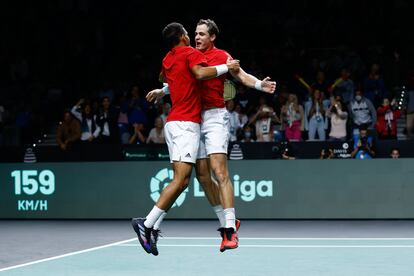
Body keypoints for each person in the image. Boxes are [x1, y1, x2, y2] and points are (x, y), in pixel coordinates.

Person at [146, 19, 276, 252]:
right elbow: (183, 79)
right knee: (203, 177)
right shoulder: (190, 54)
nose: (197, 37)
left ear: (212, 37)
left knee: (219, 170)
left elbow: (241, 75)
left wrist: (259, 85)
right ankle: (226, 221)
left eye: (202, 34)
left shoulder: (222, 55)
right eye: (195, 33)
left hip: (215, 118)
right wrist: (162, 90)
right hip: (193, 119)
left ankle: (229, 231)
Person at [132, 22, 240, 256]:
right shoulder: (191, 53)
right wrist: (226, 66)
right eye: (189, 33)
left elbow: (164, 75)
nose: (193, 36)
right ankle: (147, 223)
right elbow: (201, 73)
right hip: (185, 124)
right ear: (182, 37)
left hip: (176, 123)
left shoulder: (168, 58)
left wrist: (164, 89)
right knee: (181, 181)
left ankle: (155, 226)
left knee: (199, 176)